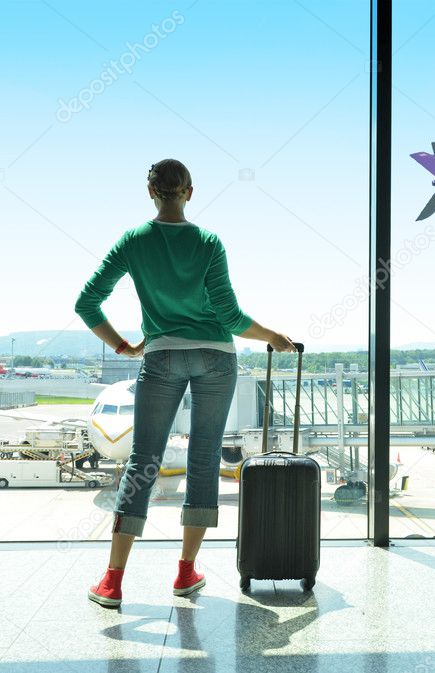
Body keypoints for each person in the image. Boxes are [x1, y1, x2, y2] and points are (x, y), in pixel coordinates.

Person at [75, 159, 295, 607]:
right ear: (189, 193)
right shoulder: (208, 242)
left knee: (143, 462)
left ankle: (113, 581)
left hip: (161, 355)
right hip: (217, 356)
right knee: (203, 457)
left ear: (151, 192)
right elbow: (231, 318)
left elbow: (87, 303)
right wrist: (272, 335)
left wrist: (123, 347)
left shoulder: (133, 241)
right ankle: (186, 572)